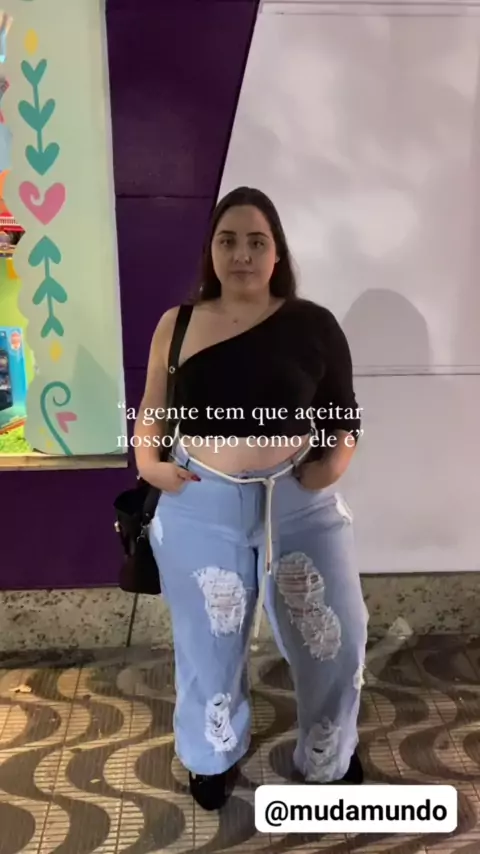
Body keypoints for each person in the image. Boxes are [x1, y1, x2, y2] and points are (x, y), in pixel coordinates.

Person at [134, 186, 369, 811]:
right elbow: (153, 406)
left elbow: (343, 414)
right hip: (200, 505)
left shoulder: (313, 323)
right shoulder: (178, 324)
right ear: (211, 250)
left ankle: (327, 752)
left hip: (299, 506)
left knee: (335, 637)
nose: (241, 254)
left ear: (276, 253)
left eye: (256, 242)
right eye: (228, 240)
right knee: (208, 645)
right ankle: (211, 754)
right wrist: (149, 463)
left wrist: (332, 465)